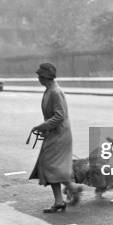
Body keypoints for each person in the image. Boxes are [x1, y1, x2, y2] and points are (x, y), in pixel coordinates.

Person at [29, 63, 83, 213]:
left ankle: (71, 189)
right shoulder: (49, 90)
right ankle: (60, 199)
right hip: (54, 133)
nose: (38, 78)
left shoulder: (55, 92)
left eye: (40, 76)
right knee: (50, 165)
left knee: (50, 165)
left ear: (45, 77)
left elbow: (59, 116)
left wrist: (42, 126)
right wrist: (46, 128)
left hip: (60, 135)